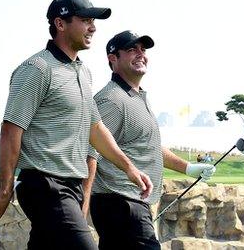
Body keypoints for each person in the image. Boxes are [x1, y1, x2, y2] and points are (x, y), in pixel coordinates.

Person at [0, 0, 153, 249]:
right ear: (60, 24)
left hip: (69, 186)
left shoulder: (83, 71)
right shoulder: (37, 68)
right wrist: (5, 192)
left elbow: (96, 128)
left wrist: (129, 168)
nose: (93, 27)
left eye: (93, 21)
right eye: (85, 20)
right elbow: (10, 130)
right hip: (45, 185)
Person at [83, 30, 217, 250]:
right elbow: (91, 153)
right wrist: (83, 208)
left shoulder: (135, 98)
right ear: (113, 59)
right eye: (131, 49)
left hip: (130, 205)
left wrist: (188, 167)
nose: (140, 54)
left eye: (143, 50)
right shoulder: (111, 100)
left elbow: (148, 146)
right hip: (121, 204)